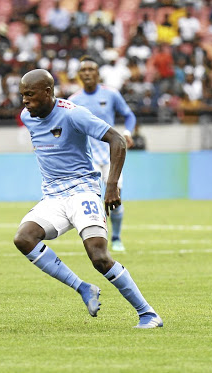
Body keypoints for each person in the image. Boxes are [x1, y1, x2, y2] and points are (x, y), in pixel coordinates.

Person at [15, 69, 162, 329]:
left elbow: (117, 140)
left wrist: (112, 185)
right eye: (22, 95)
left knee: (99, 257)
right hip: (53, 196)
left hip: (83, 190)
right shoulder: (28, 116)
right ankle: (83, 288)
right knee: (24, 238)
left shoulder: (73, 113)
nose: (24, 101)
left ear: (47, 92)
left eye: (29, 94)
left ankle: (148, 313)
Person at [69, 56, 137, 252]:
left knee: (115, 197)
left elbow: (129, 115)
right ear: (79, 75)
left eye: (91, 70)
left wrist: (127, 133)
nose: (87, 73)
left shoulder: (111, 94)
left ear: (98, 74)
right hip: (86, 159)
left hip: (110, 156)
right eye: (84, 70)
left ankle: (116, 237)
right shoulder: (73, 101)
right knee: (90, 201)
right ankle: (99, 239)